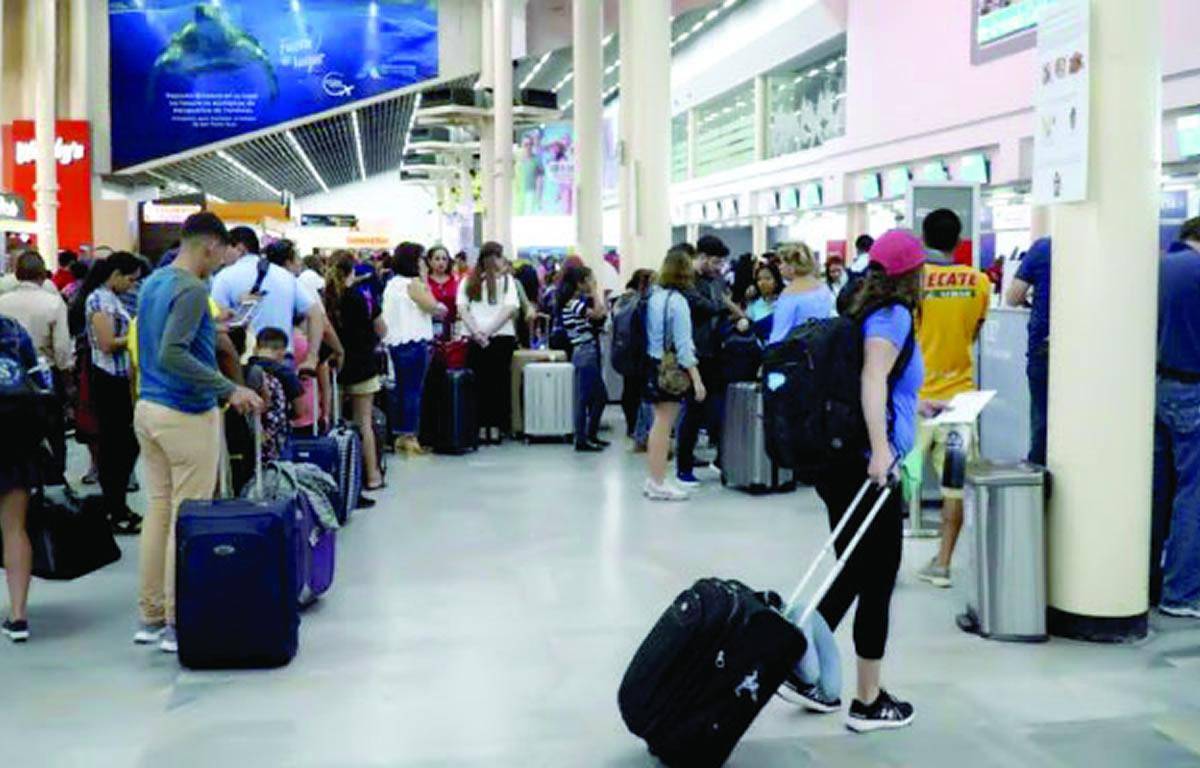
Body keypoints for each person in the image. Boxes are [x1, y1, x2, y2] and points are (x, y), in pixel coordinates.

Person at [778, 229, 924, 732]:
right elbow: (872, 379)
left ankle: (800, 665)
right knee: (877, 577)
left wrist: (917, 408)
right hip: (866, 464)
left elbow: (879, 381)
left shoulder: (859, 308)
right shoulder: (895, 315)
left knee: (855, 570)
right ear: (914, 274)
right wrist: (882, 451)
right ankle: (868, 699)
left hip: (840, 459)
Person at [134, 212, 263, 653]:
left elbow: (157, 343)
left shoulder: (154, 281)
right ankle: (176, 619)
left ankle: (151, 615)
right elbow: (174, 353)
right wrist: (230, 388)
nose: (220, 265)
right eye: (220, 255)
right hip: (184, 413)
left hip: (148, 408)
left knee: (160, 512)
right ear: (210, 246)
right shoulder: (192, 289)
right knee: (188, 517)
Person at [912, 209, 991, 589]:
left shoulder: (913, 284)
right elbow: (973, 332)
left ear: (922, 238)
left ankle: (880, 565)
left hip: (914, 399)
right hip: (960, 402)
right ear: (959, 240)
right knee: (954, 485)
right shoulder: (978, 283)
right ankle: (942, 564)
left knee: (894, 482)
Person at [1153, 218, 1200, 617]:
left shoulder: (1158, 267)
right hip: (1194, 391)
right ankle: (1182, 594)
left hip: (1161, 387)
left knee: (1160, 489)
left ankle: (1149, 582)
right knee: (1194, 493)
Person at [79, 252, 145, 534]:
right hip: (105, 377)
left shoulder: (112, 299)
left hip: (118, 377)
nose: (132, 285)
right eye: (130, 279)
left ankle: (118, 505)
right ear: (116, 274)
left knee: (125, 445)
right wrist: (134, 337)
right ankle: (114, 508)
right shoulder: (98, 300)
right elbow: (106, 343)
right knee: (115, 446)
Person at [676, 235, 745, 488]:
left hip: (716, 352)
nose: (718, 268)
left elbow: (721, 305)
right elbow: (706, 307)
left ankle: (720, 459)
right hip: (695, 355)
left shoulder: (715, 280)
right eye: (715, 262)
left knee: (717, 409)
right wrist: (725, 306)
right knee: (693, 411)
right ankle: (683, 467)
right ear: (701, 257)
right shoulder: (686, 283)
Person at [0, 251, 74, 483]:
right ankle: (55, 477)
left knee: (10, 434)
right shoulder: (54, 303)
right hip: (44, 374)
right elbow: (62, 349)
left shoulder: (2, 302)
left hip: (6, 376)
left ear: (17, 274)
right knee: (53, 431)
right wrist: (68, 383)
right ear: (43, 275)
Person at [210, 226, 323, 369]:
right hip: (282, 357)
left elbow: (215, 317)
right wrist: (312, 358)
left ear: (240, 248)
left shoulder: (224, 277)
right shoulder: (285, 276)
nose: (222, 255)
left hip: (243, 361)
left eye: (225, 248)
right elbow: (315, 313)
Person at [643, 247, 706, 502]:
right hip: (670, 369)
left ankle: (654, 477)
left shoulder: (654, 296)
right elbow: (684, 346)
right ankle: (658, 481)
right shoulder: (678, 302)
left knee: (658, 423)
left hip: (651, 362)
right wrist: (697, 379)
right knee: (664, 424)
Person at [324, 252, 387, 500]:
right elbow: (381, 329)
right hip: (362, 364)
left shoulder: (326, 298)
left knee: (333, 422)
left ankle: (337, 478)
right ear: (353, 271)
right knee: (365, 423)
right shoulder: (363, 297)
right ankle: (372, 476)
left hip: (332, 367)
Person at [0, 315, 45, 642]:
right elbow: (41, 384)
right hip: (15, 439)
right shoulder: (13, 330)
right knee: (14, 528)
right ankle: (18, 616)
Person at [382, 242, 447, 456]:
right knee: (413, 392)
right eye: (421, 259)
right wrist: (426, 282)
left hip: (395, 343)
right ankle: (410, 437)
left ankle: (400, 436)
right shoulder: (414, 284)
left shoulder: (392, 284)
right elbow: (432, 306)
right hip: (414, 342)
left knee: (400, 391)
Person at [458, 242, 520, 444]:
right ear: (498, 258)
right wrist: (489, 332)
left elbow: (462, 309)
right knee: (499, 384)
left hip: (475, 338)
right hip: (502, 337)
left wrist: (477, 332)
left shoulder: (468, 280)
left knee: (478, 384)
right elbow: (509, 309)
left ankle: (478, 427)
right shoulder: (508, 281)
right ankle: (495, 428)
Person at [1006, 237, 1052, 466]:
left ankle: (1039, 481)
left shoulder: (1042, 248)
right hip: (1083, 346)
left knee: (1043, 419)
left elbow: (1013, 297)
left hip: (1044, 344)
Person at [559, 266, 609, 452]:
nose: (591, 282)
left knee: (597, 397)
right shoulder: (573, 304)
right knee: (587, 397)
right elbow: (598, 314)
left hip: (585, 351)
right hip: (584, 352)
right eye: (589, 279)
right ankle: (582, 438)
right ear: (580, 283)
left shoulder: (574, 303)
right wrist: (596, 292)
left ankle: (589, 435)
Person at [615, 269, 656, 449]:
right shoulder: (641, 302)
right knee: (639, 392)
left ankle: (633, 427)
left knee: (629, 389)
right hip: (638, 351)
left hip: (625, 350)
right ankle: (638, 429)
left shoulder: (622, 300)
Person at [769, 242, 836, 345]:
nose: (780, 267)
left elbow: (778, 336)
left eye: (782, 262)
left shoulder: (789, 295)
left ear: (792, 266)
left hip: (796, 353)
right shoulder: (823, 288)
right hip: (823, 347)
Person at [244, 328, 292, 462]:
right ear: (282, 351)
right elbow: (301, 408)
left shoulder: (247, 369)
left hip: (249, 436)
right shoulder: (285, 374)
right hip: (276, 438)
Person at [425, 245, 459, 340]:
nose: (441, 262)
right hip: (429, 328)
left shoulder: (456, 280)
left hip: (453, 329)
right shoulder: (424, 281)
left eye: (444, 259)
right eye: (437, 259)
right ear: (429, 261)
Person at [746, 261, 784, 328]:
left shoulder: (785, 301)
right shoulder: (754, 304)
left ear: (776, 281)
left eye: (767, 278)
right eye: (759, 279)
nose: (763, 283)